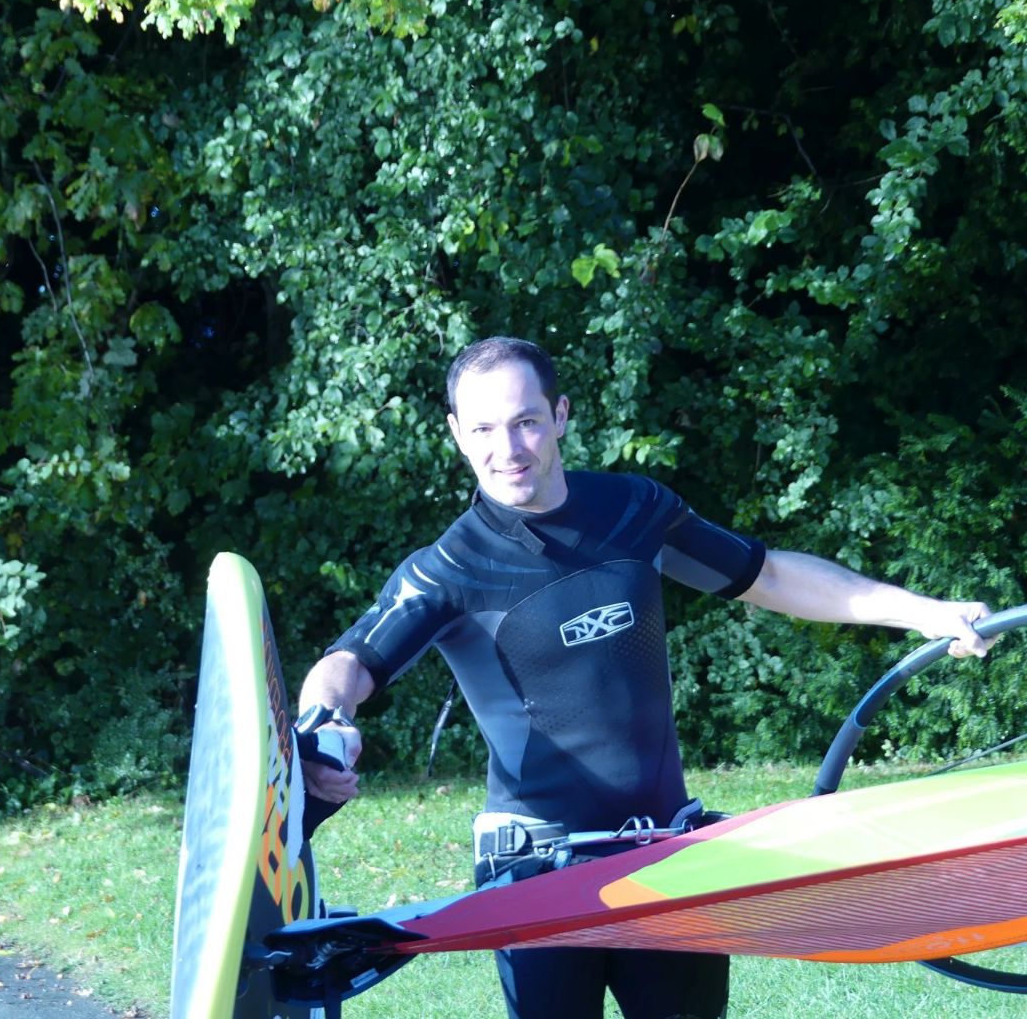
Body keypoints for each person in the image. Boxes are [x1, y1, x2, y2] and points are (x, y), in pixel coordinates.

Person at [295, 336, 994, 1019]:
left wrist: (922, 612)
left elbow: (769, 575)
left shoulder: (634, 511)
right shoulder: (449, 567)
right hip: (535, 871)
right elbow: (348, 664)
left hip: (668, 852)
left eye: (526, 422)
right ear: (455, 433)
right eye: (482, 429)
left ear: (560, 415)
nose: (507, 449)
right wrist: (325, 723)